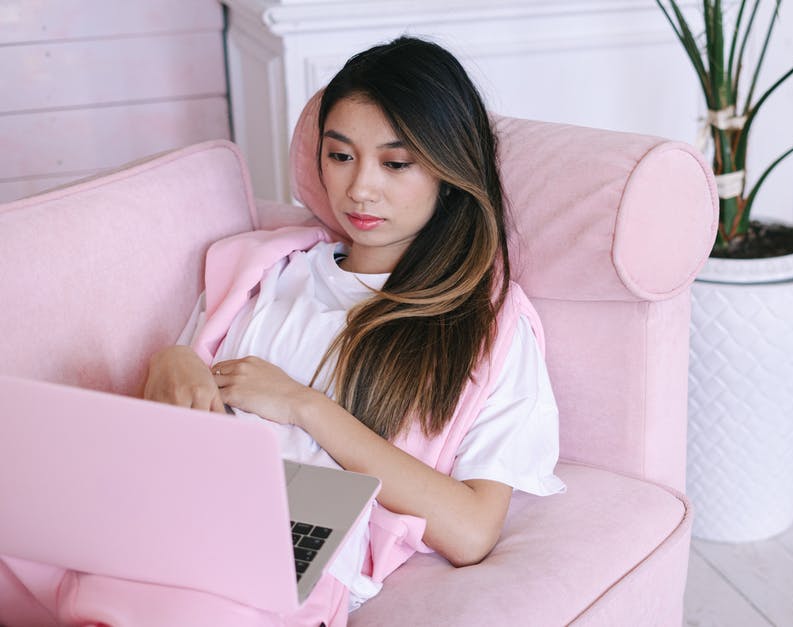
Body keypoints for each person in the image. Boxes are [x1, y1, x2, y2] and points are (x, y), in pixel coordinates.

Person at [6, 36, 564, 626]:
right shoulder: (265, 267)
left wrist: (304, 406)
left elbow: (472, 530)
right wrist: (171, 362)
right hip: (170, 499)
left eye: (396, 163)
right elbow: (179, 418)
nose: (360, 188)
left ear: (450, 173)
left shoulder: (487, 325)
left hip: (278, 546)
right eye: (340, 155)